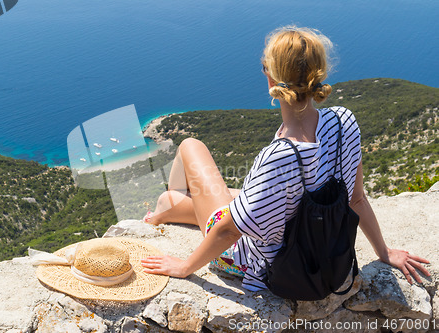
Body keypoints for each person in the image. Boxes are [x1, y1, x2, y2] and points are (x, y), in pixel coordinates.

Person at [140, 26, 430, 291]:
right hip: (323, 255)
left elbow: (228, 231)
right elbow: (356, 199)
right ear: (319, 73)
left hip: (258, 262)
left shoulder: (277, 158)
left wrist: (185, 267)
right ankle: (170, 206)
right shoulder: (345, 122)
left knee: (191, 146)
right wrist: (384, 252)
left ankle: (169, 204)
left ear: (271, 79)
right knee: (235, 196)